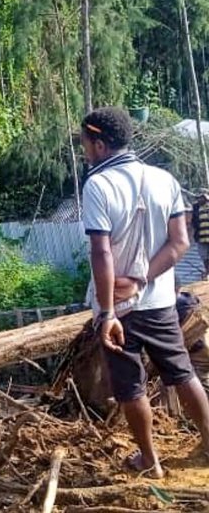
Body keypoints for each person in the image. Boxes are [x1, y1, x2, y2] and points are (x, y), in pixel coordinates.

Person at [80, 106, 209, 478]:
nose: (85, 151)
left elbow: (101, 252)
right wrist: (143, 279)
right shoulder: (164, 179)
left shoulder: (98, 185)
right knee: (182, 374)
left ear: (100, 144)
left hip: (118, 308)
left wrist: (107, 313)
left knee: (130, 387)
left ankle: (150, 461)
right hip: (161, 302)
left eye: (86, 144)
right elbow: (180, 242)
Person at [192, 192, 209, 278]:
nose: (199, 200)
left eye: (201, 198)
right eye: (198, 198)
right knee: (204, 256)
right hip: (200, 237)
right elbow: (193, 221)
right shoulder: (196, 208)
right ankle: (207, 272)